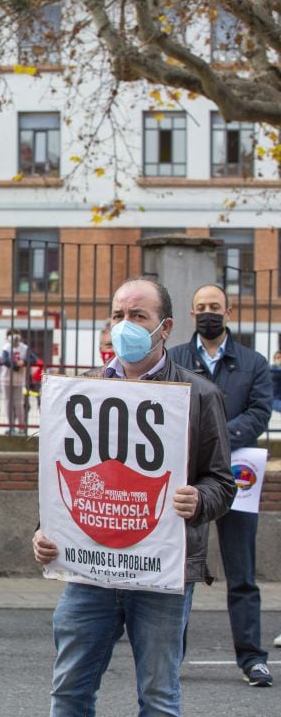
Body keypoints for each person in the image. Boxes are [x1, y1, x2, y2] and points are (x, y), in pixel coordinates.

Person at [32, 277, 235, 716]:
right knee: (68, 693)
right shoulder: (79, 393)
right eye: (119, 315)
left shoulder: (199, 395)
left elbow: (222, 482)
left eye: (138, 316)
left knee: (159, 699)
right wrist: (43, 533)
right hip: (89, 574)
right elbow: (59, 478)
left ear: (165, 327)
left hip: (161, 575)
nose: (125, 325)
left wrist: (199, 500)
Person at [169, 284, 273, 686]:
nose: (208, 313)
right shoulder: (175, 358)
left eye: (215, 306)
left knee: (242, 572)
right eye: (201, 308)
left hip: (237, 479)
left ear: (228, 311)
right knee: (180, 571)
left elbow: (260, 411)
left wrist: (217, 437)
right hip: (188, 481)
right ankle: (170, 657)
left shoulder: (253, 362)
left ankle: (252, 659)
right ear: (192, 313)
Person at [0, 328, 35, 435]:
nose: (13, 336)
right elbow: (4, 361)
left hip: (19, 380)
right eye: (11, 334)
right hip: (6, 380)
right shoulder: (6, 347)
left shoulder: (24, 348)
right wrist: (16, 366)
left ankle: (21, 426)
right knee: (9, 403)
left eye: (15, 334)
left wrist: (23, 362)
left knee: (18, 404)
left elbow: (33, 359)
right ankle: (11, 427)